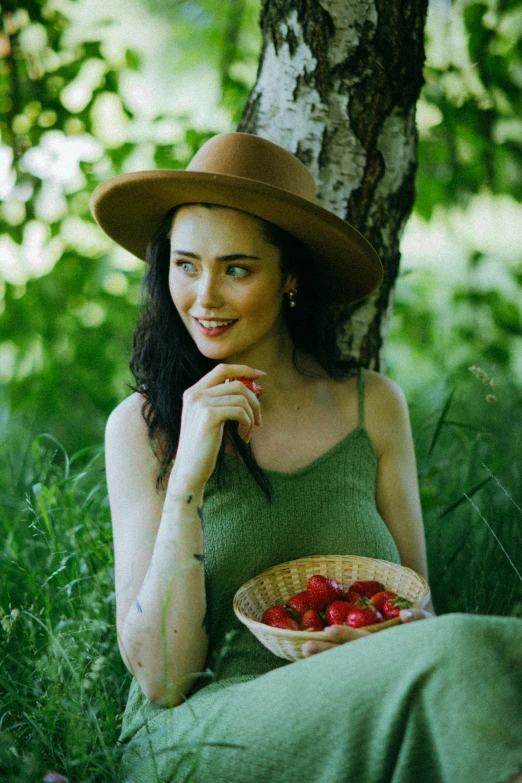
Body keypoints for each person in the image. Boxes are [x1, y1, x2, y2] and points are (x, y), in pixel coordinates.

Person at [91, 132, 522, 783]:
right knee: (469, 650)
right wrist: (187, 479)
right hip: (202, 734)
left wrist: (372, 641)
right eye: (186, 265)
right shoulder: (145, 427)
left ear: (290, 276)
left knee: (482, 655)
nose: (203, 295)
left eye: (236, 268)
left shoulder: (371, 404)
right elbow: (161, 678)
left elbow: (419, 612)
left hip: (367, 698)